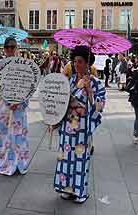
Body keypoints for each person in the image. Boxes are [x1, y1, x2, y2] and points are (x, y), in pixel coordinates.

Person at [53, 45, 106, 204]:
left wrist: (89, 91)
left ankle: (79, 192)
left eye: (80, 61)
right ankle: (66, 189)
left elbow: (99, 107)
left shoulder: (96, 83)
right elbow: (61, 102)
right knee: (65, 159)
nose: (77, 65)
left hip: (83, 129)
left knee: (80, 161)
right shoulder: (68, 81)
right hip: (67, 127)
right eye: (75, 61)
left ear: (88, 63)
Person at [0, 37, 29, 176]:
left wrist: (19, 102)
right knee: (4, 137)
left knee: (18, 137)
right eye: (7, 47)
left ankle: (19, 163)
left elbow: (28, 87)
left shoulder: (23, 66)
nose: (10, 49)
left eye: (12, 47)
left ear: (16, 48)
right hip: (3, 109)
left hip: (18, 109)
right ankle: (5, 162)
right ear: (4, 49)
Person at [126, 56, 138, 144]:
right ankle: (136, 134)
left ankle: (136, 134)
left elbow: (130, 85)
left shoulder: (136, 72)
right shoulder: (135, 71)